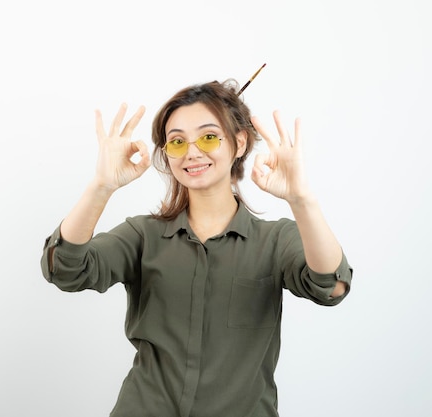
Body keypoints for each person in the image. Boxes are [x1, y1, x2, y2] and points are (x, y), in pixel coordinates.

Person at [40, 72, 353, 417]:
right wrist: (101, 186)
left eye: (208, 137)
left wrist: (302, 199)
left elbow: (331, 286)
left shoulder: (277, 239)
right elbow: (65, 270)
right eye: (177, 142)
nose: (192, 153)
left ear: (241, 143)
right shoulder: (143, 235)